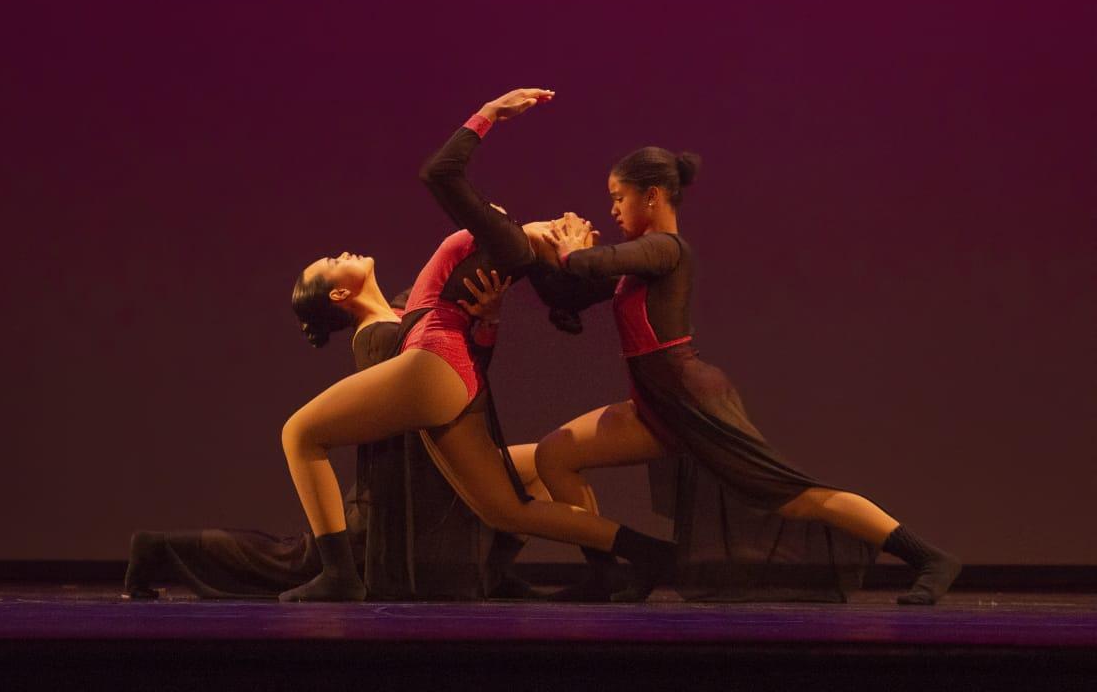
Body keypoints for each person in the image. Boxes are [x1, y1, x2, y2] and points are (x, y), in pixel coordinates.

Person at [279, 88, 677, 602]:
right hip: (451, 368)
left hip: (434, 357)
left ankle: (338, 576)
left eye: (571, 232)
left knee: (299, 434)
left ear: (561, 255)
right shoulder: (509, 254)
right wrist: (489, 320)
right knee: (504, 509)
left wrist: (489, 114)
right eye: (572, 224)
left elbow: (439, 174)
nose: (568, 221)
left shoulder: (504, 239)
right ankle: (653, 555)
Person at [535, 147, 962, 605]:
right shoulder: (639, 264)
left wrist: (571, 248)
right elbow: (569, 289)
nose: (613, 209)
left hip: (690, 401)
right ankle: (605, 573)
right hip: (655, 405)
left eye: (619, 197)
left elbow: (585, 264)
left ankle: (929, 558)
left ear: (653, 196)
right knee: (555, 455)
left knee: (797, 497)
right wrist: (533, 247)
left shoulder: (665, 249)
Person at [123, 272, 546, 599]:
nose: (343, 253)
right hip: (404, 494)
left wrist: (488, 319)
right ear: (339, 295)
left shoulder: (402, 315)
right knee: (292, 560)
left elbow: (464, 381)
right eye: (332, 263)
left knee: (540, 466)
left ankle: (491, 571)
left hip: (433, 471)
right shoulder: (377, 334)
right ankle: (156, 549)